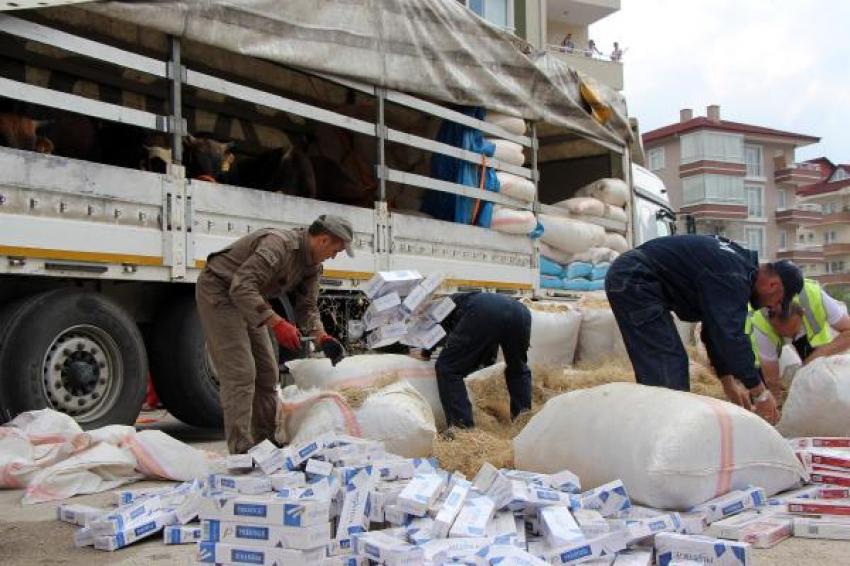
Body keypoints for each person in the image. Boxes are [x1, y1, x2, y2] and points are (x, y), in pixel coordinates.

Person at [605, 235, 803, 424]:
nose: (772, 307)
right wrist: (760, 393)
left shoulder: (738, 267)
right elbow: (731, 336)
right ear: (773, 285)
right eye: (777, 301)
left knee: (671, 367)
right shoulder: (733, 276)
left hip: (637, 277)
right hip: (635, 278)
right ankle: (662, 440)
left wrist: (728, 384)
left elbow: (713, 330)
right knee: (668, 370)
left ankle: (661, 432)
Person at [196, 215, 350, 453]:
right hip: (220, 290)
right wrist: (277, 323)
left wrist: (321, 336)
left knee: (268, 373)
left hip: (249, 298)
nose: (334, 256)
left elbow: (307, 307)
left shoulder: (312, 266)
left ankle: (266, 444)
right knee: (241, 372)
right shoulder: (279, 245)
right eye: (335, 250)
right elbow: (241, 286)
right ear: (323, 240)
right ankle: (241, 450)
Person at [430, 292, 532, 429]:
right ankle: (524, 424)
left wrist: (426, 351)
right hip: (521, 312)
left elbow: (435, 334)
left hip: (483, 311)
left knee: (448, 368)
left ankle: (462, 430)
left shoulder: (440, 308)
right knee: (518, 369)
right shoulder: (463, 298)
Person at [749, 279, 850, 398]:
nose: (791, 338)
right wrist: (775, 399)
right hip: (759, 342)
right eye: (785, 334)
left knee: (818, 371)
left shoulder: (814, 296)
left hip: (811, 337)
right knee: (762, 384)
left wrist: (815, 357)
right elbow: (771, 378)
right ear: (771, 322)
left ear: (802, 313)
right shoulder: (760, 325)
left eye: (794, 332)